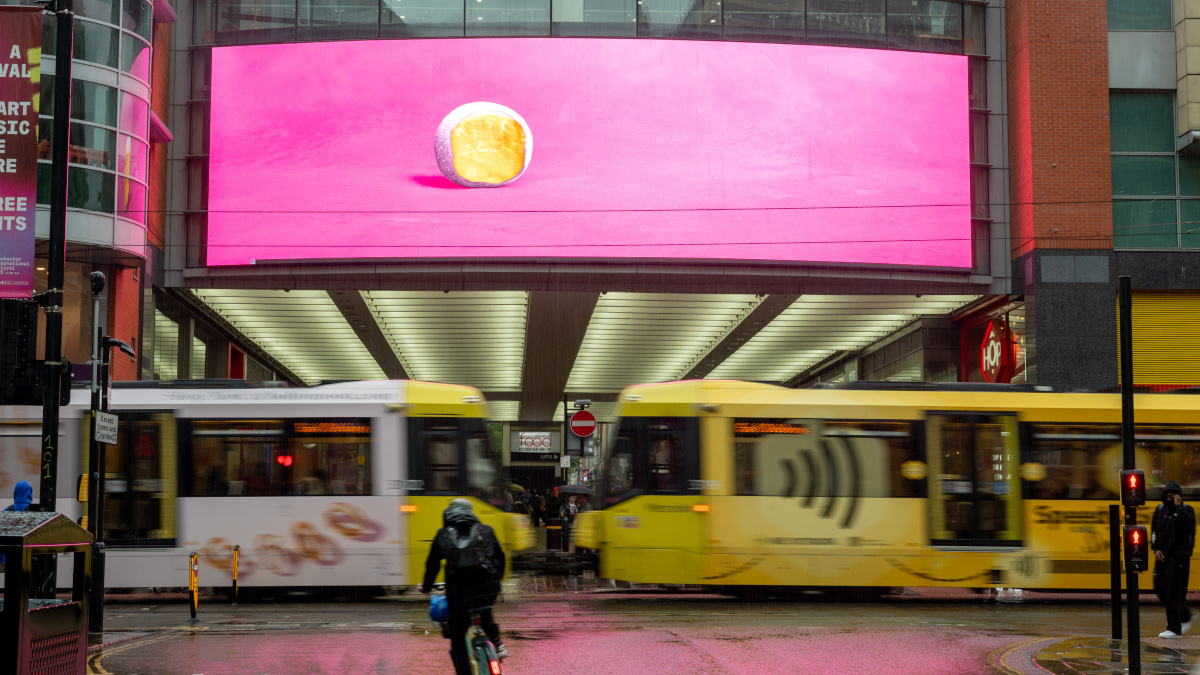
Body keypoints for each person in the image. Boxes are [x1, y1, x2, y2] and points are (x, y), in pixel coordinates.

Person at [418, 499, 508, 672]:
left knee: (457, 645)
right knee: (484, 608)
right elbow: (500, 557)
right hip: (488, 590)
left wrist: (426, 586)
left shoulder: (443, 534)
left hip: (459, 596)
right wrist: (497, 579)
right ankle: (497, 644)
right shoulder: (486, 530)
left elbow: (432, 565)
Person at [1152, 481, 1196, 638]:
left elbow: (1189, 527)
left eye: (1173, 493)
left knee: (1174, 591)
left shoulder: (1187, 510)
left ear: (1179, 495)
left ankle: (1174, 628)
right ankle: (1184, 616)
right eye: (1167, 493)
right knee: (1159, 586)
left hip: (1179, 556)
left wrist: (1178, 508)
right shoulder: (1160, 510)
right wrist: (1156, 549)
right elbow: (1155, 531)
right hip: (1163, 555)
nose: (1170, 496)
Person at [1, 481, 33, 566]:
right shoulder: (34, 511)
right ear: (29, 492)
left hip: (9, 555)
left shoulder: (7, 510)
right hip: (28, 555)